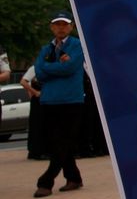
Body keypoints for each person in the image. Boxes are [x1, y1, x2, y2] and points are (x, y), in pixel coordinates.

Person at [33, 11, 86, 197]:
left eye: (64, 24)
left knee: (64, 141)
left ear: (70, 27)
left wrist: (50, 69)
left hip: (71, 100)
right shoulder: (46, 49)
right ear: (52, 27)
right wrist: (58, 67)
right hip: (49, 100)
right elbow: (38, 72)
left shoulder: (77, 45)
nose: (61, 28)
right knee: (58, 142)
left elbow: (71, 68)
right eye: (57, 24)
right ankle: (74, 177)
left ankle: (46, 181)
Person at [20, 66, 49, 160]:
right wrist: (35, 92)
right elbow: (23, 82)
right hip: (38, 101)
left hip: (47, 99)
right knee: (38, 125)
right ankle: (37, 151)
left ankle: (41, 150)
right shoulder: (35, 68)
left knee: (45, 125)